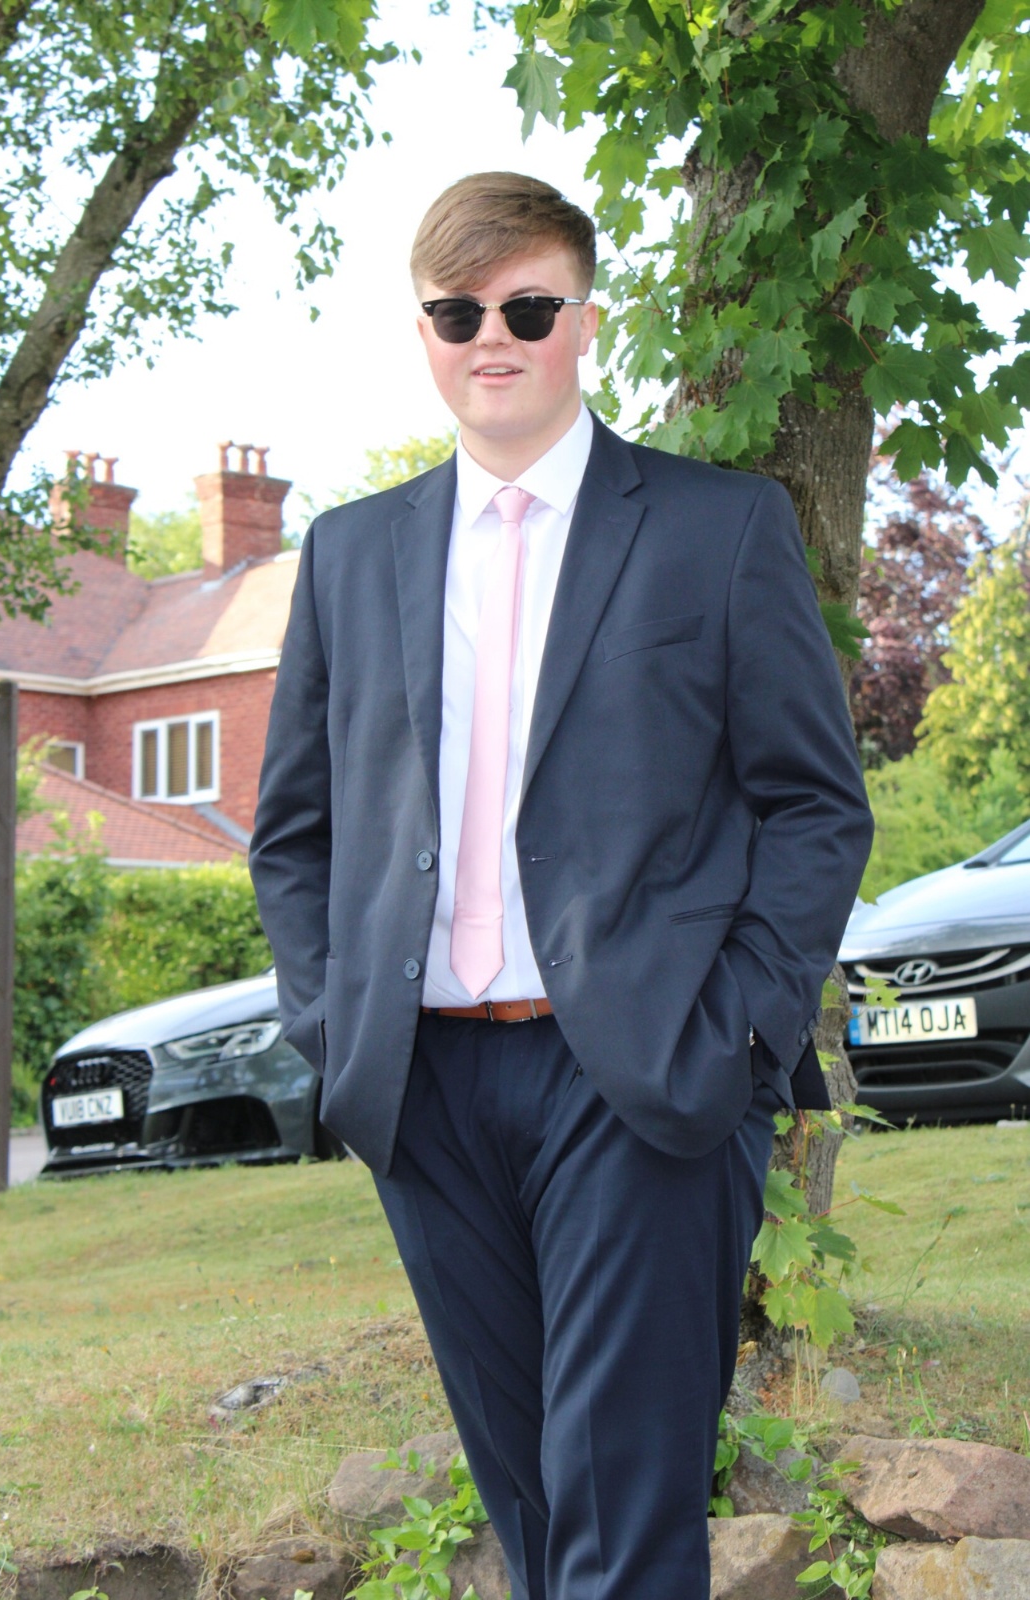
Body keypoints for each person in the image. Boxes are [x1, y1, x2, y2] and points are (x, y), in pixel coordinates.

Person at [250, 171, 873, 1600]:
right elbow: (297, 831)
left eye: (528, 308)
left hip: (641, 1076)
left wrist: (743, 1027)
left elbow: (814, 806)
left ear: (585, 321)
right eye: (459, 311)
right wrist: (333, 1031)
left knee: (625, 1516)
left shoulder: (720, 528)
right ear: (424, 333)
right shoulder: (351, 553)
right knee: (533, 1518)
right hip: (423, 1088)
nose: (495, 337)